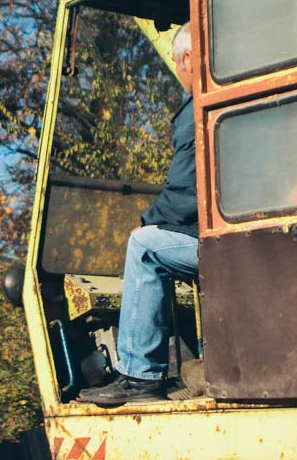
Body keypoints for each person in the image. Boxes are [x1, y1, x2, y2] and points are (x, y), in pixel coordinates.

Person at [78, 24, 199, 406]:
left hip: (223, 242)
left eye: (177, 64)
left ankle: (140, 376)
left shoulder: (200, 109)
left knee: (144, 247)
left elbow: (185, 191)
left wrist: (147, 222)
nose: (179, 73)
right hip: (246, 233)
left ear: (189, 59)